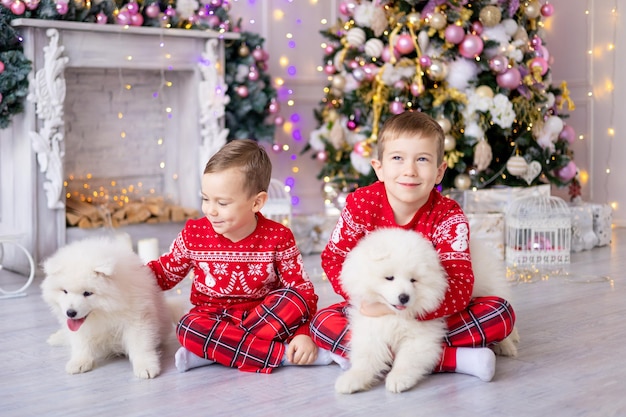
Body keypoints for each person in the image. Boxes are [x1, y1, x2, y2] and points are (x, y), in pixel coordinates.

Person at [310, 111, 516, 382]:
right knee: (322, 322)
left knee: (499, 314)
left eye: (422, 159)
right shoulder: (361, 204)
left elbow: (460, 286)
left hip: (430, 314)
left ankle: (384, 357)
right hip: (374, 311)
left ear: (440, 170)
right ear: (379, 167)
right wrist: (365, 301)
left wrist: (391, 309)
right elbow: (334, 259)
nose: (410, 170)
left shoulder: (448, 216)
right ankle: (456, 359)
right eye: (397, 158)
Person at [148, 139, 332, 373]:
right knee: (188, 327)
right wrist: (126, 276)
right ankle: (282, 355)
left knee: (294, 300)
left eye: (222, 203)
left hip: (263, 317)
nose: (210, 210)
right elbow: (164, 273)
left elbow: (302, 291)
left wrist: (303, 333)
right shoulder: (194, 234)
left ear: (257, 202)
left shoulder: (278, 236)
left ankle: (215, 352)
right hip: (213, 317)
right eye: (205, 198)